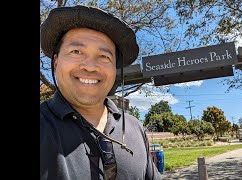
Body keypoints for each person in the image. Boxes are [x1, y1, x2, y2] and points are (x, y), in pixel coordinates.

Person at [40, 5, 161, 180]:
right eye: (76, 51)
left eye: (104, 57)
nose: (90, 67)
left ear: (115, 70)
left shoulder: (134, 127)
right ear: (56, 62)